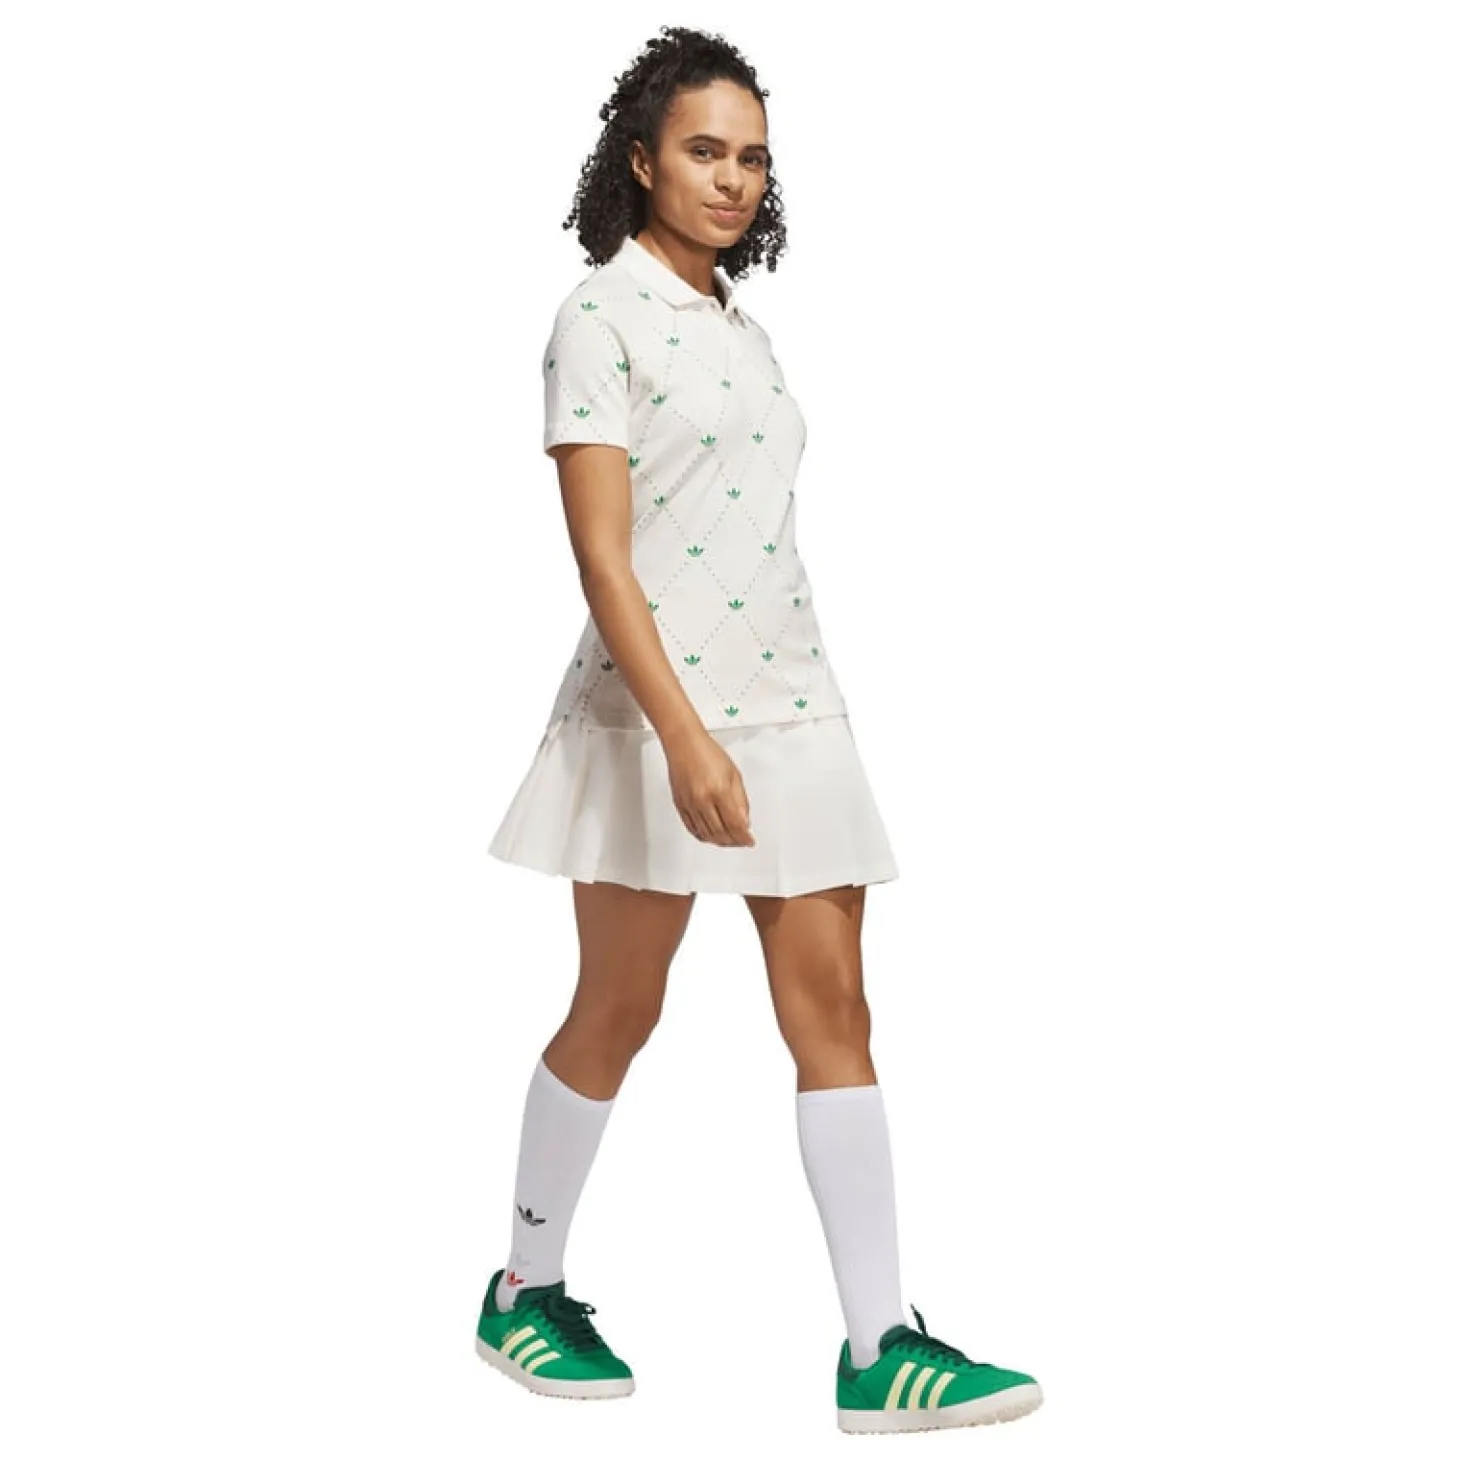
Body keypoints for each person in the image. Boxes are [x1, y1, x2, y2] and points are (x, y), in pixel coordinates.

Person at [476, 25, 1043, 1435]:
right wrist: (682, 736)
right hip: (654, 714)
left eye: (752, 158)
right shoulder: (597, 317)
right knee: (621, 1007)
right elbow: (603, 558)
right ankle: (522, 1286)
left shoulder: (743, 325)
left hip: (796, 702)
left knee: (839, 1009)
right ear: (641, 161)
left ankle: (880, 1345)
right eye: (703, 151)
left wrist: (761, 718)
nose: (732, 179)